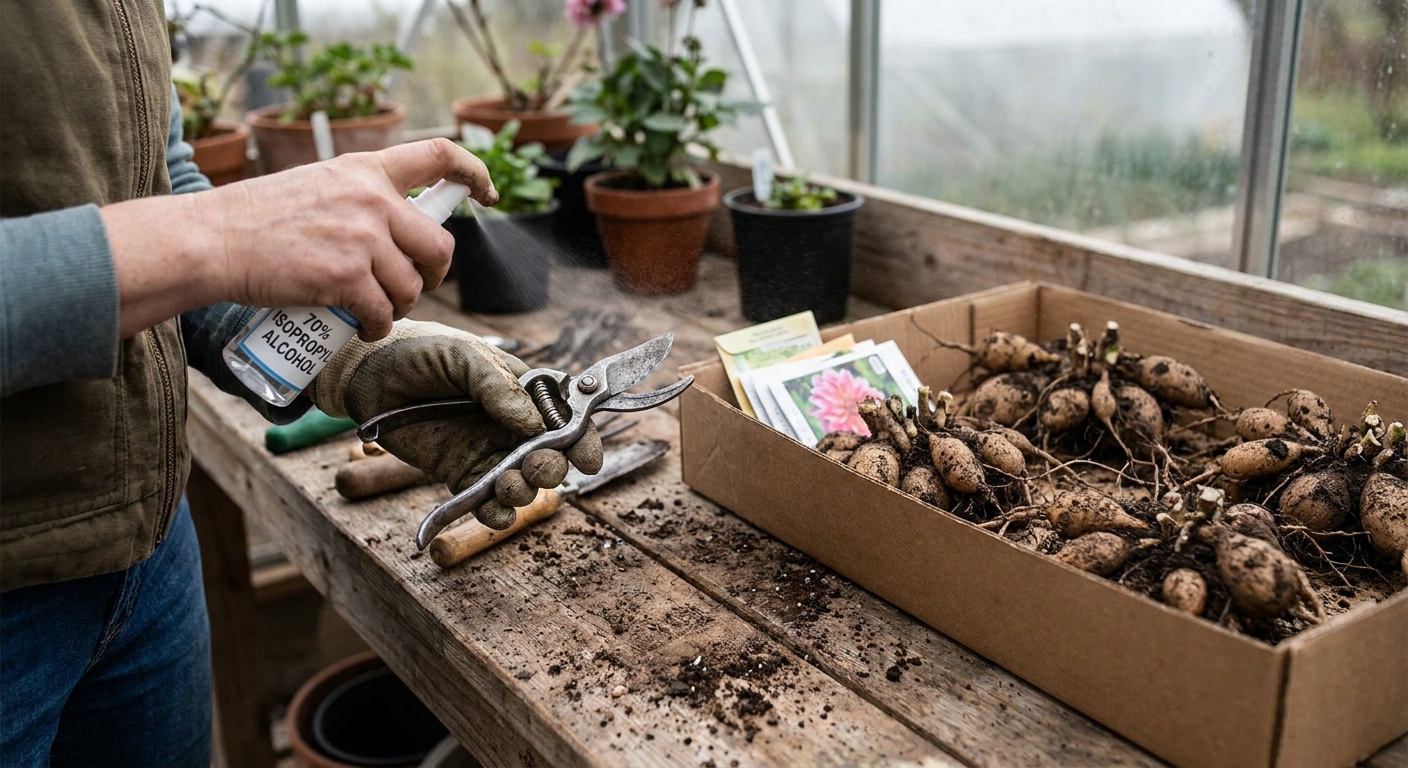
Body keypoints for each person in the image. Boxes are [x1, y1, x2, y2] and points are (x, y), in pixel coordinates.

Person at [0, 3, 599, 766]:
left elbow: (152, 173)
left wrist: (342, 365)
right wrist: (220, 234)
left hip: (146, 548)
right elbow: (190, 231)